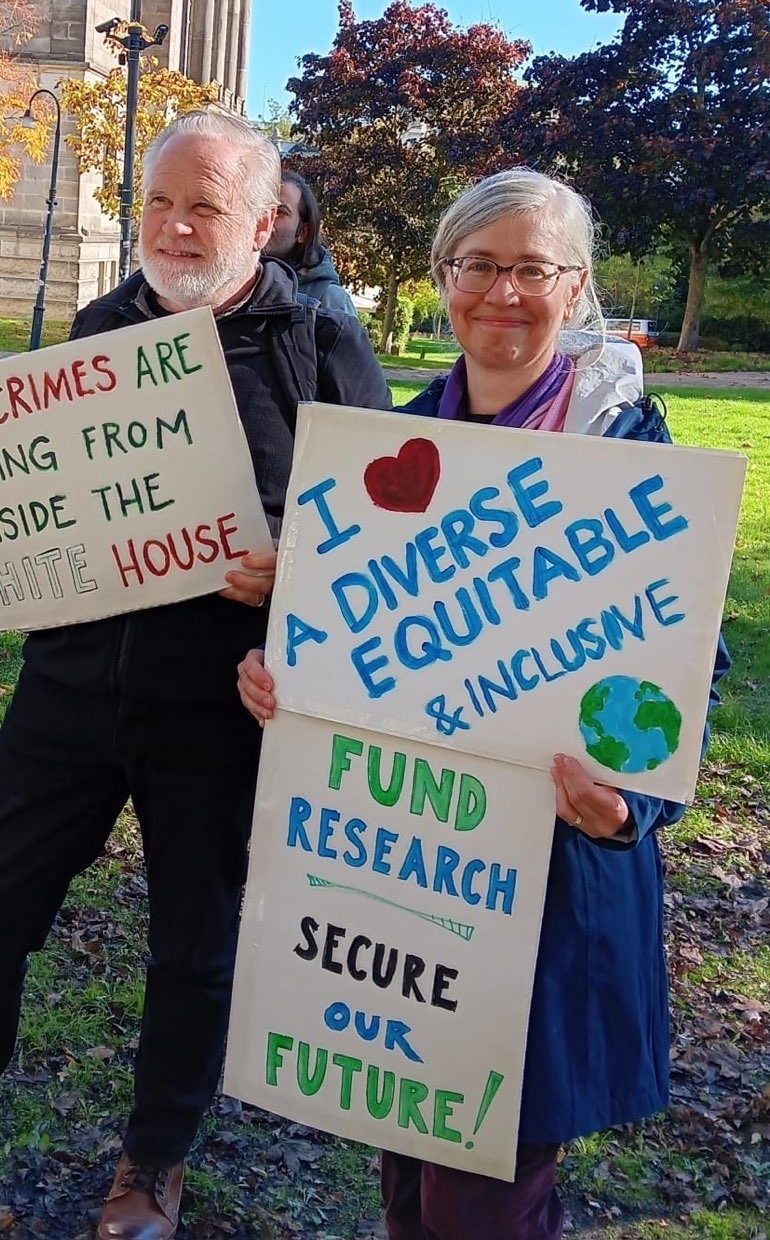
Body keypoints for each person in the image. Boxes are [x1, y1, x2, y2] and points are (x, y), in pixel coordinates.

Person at [0, 111, 390, 1240]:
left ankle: (153, 1164)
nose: (178, 227)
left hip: (221, 704)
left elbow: (381, 544)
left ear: (265, 219)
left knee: (194, 944)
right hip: (72, 683)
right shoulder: (100, 326)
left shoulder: (318, 346)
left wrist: (296, 569)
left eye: (207, 206)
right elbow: (31, 489)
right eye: (159, 203)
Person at [236, 167, 729, 1240]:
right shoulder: (385, 455)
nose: (503, 293)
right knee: (411, 1172)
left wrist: (626, 805)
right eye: (479, 266)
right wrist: (284, 682)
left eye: (533, 270)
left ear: (578, 285)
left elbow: (696, 666)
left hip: (550, 885)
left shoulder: (636, 458)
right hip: (401, 872)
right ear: (443, 276)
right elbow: (339, 639)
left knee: (486, 1196)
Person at [264, 170, 358, 316]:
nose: (266, 218)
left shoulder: (330, 300)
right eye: (263, 207)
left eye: (280, 212)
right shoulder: (235, 285)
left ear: (303, 232)